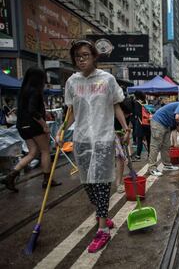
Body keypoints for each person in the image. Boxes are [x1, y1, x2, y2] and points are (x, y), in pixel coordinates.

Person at [56, 40, 130, 253]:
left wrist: (125, 128)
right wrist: (62, 130)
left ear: (94, 56)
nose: (81, 59)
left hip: (103, 138)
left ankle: (102, 230)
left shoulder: (107, 79)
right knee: (88, 183)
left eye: (85, 55)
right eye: (78, 56)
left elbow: (116, 105)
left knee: (101, 183)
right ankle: (103, 216)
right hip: (82, 140)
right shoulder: (72, 82)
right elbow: (71, 112)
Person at [1, 67, 61, 192]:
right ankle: (47, 180)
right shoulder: (35, 92)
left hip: (22, 126)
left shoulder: (23, 91)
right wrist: (44, 125)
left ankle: (11, 176)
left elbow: (27, 108)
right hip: (34, 126)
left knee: (33, 152)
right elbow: (33, 111)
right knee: (45, 151)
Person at [146, 100, 179, 177]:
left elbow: (177, 126)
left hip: (166, 125)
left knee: (166, 145)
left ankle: (167, 164)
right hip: (158, 123)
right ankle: (152, 168)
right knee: (155, 146)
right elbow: (177, 118)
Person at [114, 97, 134, 193]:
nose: (126, 116)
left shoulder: (129, 111)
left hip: (121, 133)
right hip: (110, 134)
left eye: (128, 114)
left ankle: (118, 184)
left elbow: (129, 125)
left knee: (120, 158)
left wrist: (126, 134)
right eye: (124, 113)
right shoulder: (112, 112)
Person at [132, 91, 151, 161]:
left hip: (141, 124)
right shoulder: (146, 102)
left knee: (139, 140)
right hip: (148, 123)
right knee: (149, 140)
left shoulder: (137, 103)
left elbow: (137, 114)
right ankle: (150, 155)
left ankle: (138, 156)